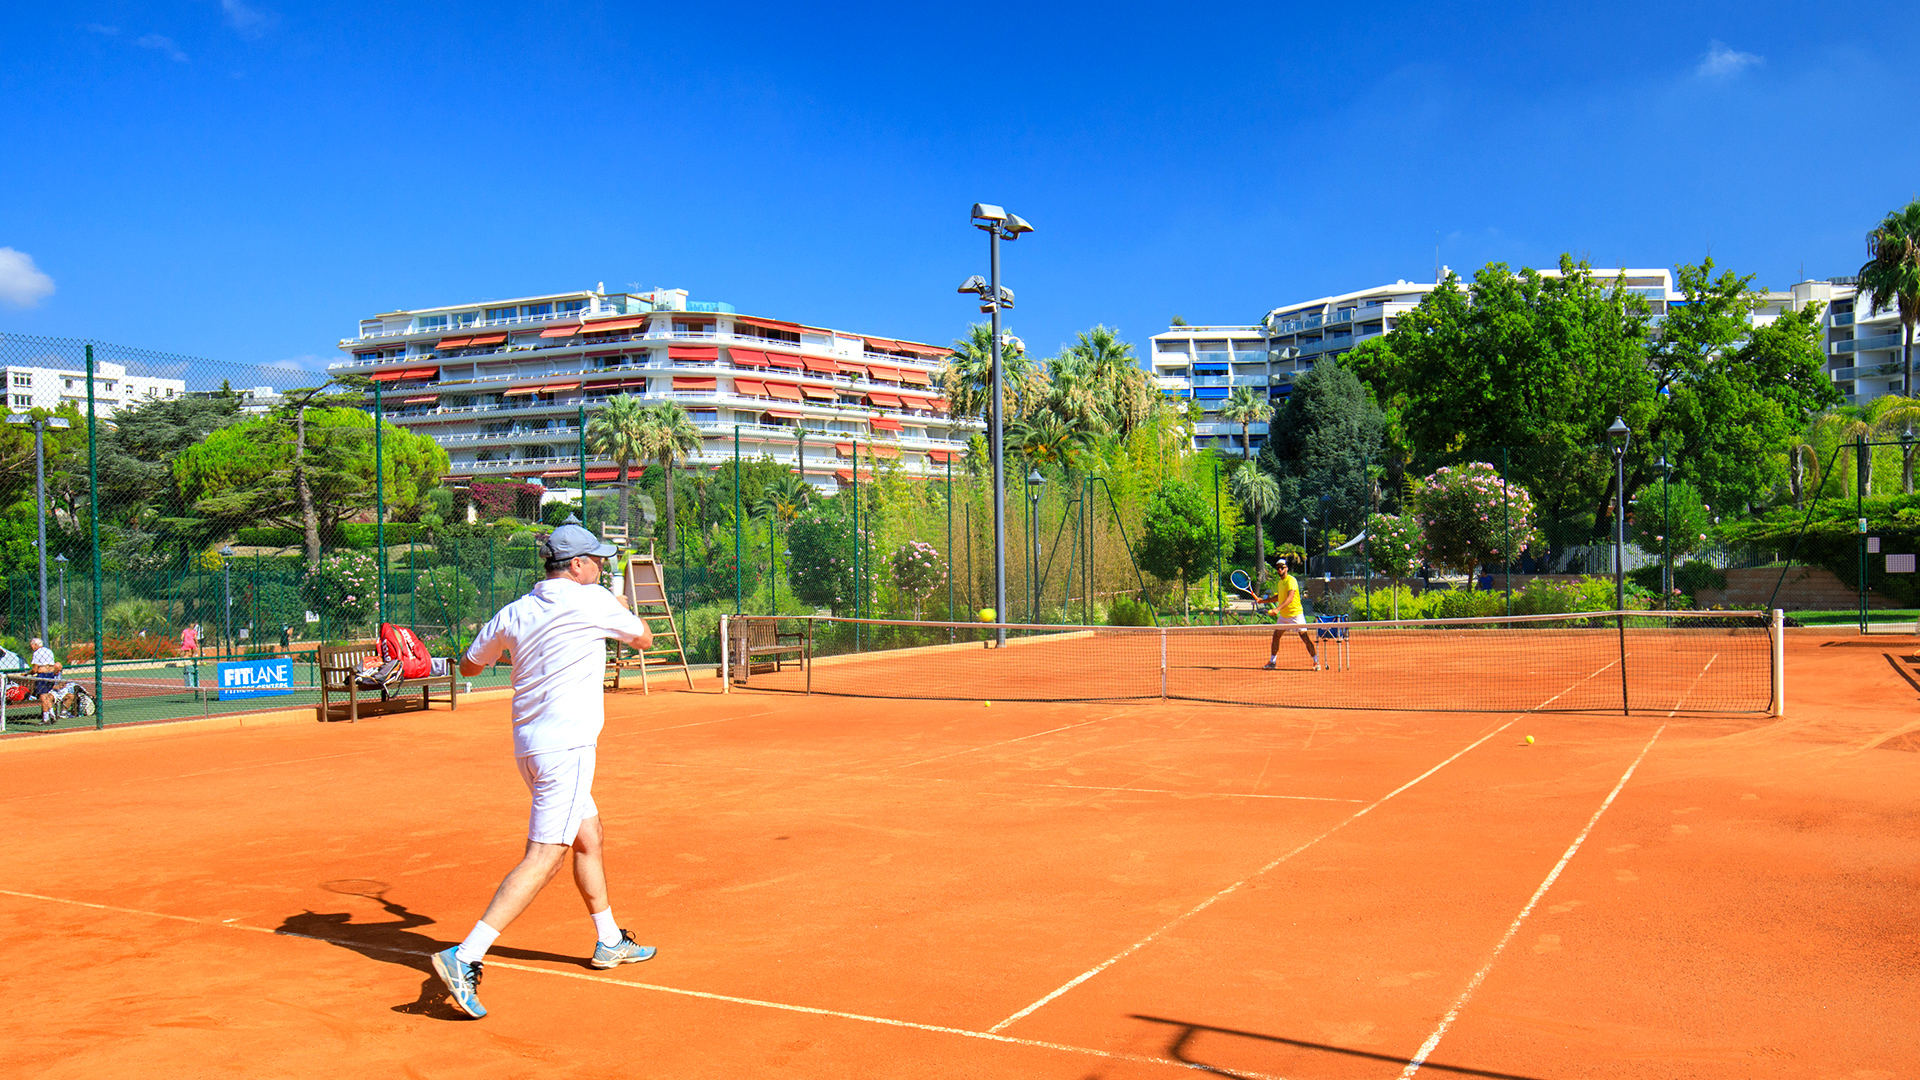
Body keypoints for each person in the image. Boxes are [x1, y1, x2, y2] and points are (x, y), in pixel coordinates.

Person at [432, 523, 656, 1019]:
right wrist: (617, 609)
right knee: (545, 855)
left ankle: (608, 940)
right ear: (575, 566)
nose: (600, 566)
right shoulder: (592, 599)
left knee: (589, 835)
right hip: (567, 749)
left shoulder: (514, 611)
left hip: (528, 749)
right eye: (595, 560)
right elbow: (644, 638)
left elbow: (469, 666)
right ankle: (464, 955)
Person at [1261, 557, 1320, 672]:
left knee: (1304, 637)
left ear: (1286, 568)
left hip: (1295, 614)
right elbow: (1279, 597)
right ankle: (1272, 662)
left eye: (1282, 568)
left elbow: (1290, 598)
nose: (1279, 570)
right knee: (1276, 635)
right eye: (1277, 568)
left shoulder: (1291, 580)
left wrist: (1277, 609)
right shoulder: (1280, 582)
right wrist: (1263, 601)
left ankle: (1316, 661)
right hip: (1284, 616)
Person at [28, 637, 62, 725]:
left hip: (42, 675)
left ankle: (45, 718)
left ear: (35, 645)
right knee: (47, 696)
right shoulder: (49, 651)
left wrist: (27, 674)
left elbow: (35, 669)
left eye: (32, 645)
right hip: (50, 675)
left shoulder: (36, 653)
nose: (31, 647)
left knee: (43, 697)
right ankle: (52, 715)